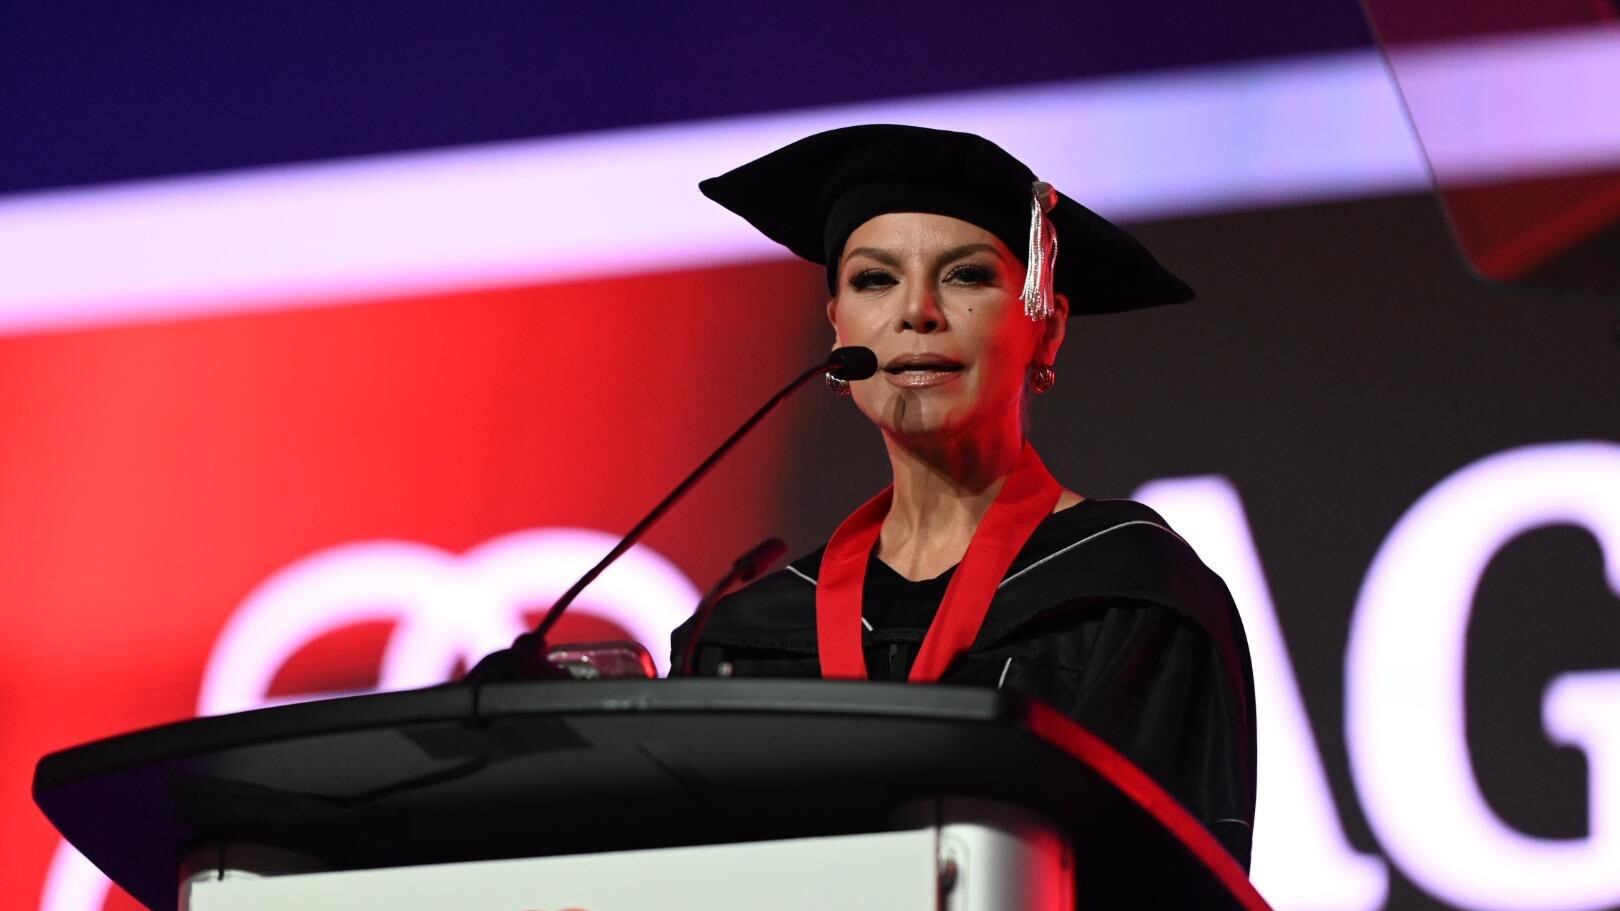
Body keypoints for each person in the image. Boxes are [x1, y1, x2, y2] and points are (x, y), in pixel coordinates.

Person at [670, 124, 1256, 869]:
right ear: (838, 329)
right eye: (874, 280)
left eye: (966, 276)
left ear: (1047, 329)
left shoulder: (1129, 594)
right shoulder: (742, 633)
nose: (916, 310)